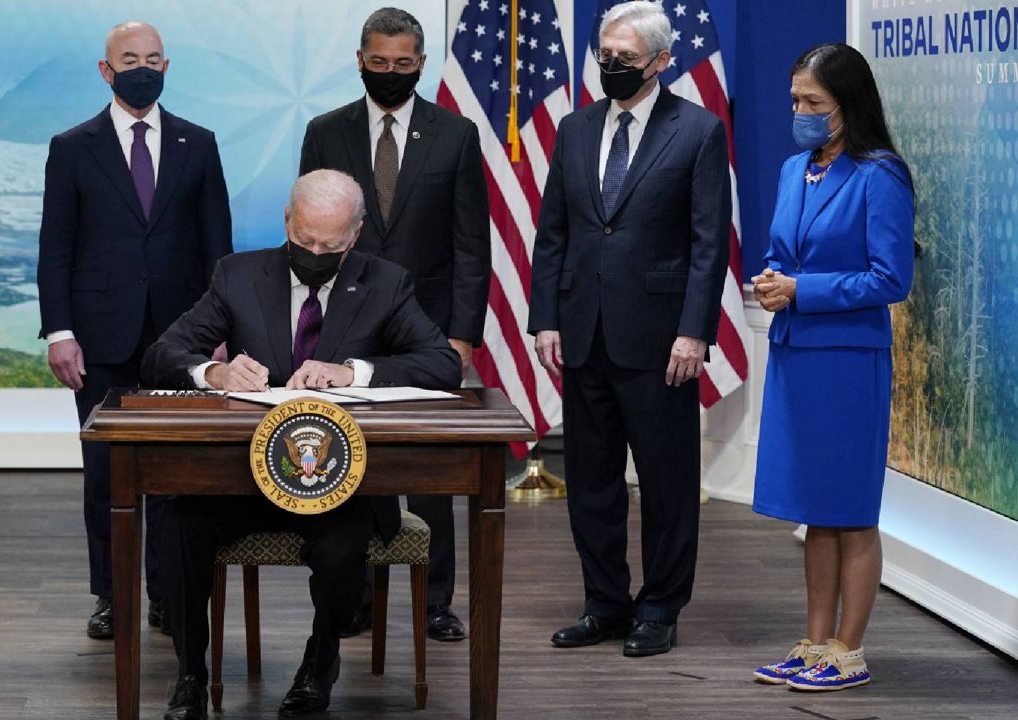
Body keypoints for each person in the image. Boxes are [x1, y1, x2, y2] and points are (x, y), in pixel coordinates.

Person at [142, 169, 460, 719]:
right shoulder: (237, 275)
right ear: (287, 221)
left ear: (354, 236)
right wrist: (212, 374)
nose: (315, 253)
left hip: (340, 485)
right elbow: (161, 355)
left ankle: (320, 662)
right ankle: (191, 673)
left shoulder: (385, 283)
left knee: (343, 550)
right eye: (305, 240)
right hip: (241, 481)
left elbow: (443, 364)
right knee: (177, 524)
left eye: (330, 246)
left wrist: (353, 373)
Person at [529, 0, 731, 657]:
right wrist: (545, 317)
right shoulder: (575, 128)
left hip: (661, 337)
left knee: (667, 483)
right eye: (604, 56)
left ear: (662, 62)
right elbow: (553, 231)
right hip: (583, 331)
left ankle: (660, 608)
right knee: (591, 481)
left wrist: (695, 331)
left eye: (625, 59)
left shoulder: (698, 131)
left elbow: (709, 244)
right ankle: (605, 604)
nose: (610, 67)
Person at [37, 20, 232, 640]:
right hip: (99, 339)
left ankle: (167, 592)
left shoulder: (197, 145)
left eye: (152, 58)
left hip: (184, 341)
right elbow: (56, 250)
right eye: (129, 58)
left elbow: (217, 251)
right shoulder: (72, 147)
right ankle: (111, 594)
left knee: (175, 476)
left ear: (166, 66)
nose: (141, 67)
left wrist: (223, 332)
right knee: (106, 476)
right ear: (106, 70)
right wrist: (58, 332)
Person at [299, 6, 489, 642]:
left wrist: (461, 336)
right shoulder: (325, 131)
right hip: (344, 324)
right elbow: (310, 235)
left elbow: (471, 244)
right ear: (359, 60)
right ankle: (349, 599)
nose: (389, 73)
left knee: (428, 470)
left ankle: (435, 601)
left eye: (402, 65)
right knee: (346, 467)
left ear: (420, 64)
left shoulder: (455, 135)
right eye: (378, 63)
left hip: (426, 329)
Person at [749, 43, 915, 692]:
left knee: (851, 511)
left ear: (848, 104)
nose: (801, 112)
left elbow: (889, 277)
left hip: (848, 363)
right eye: (795, 101)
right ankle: (814, 641)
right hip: (797, 357)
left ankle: (849, 650)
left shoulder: (881, 175)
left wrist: (803, 291)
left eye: (813, 103)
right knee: (815, 510)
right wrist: (771, 280)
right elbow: (781, 251)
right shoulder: (796, 170)